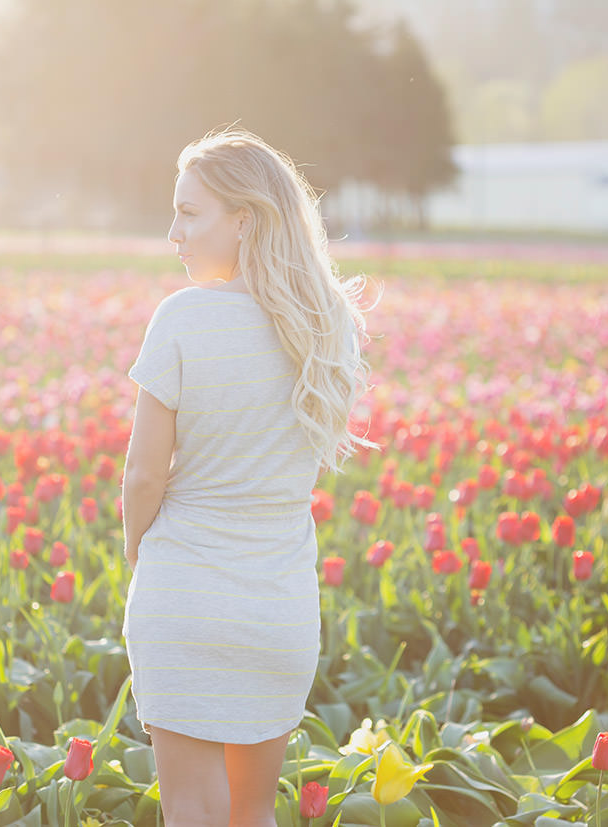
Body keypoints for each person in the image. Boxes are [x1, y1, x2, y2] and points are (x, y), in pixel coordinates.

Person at [121, 129, 373, 827]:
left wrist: (134, 548)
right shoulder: (328, 327)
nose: (173, 233)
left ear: (246, 219)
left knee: (192, 814)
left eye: (190, 213)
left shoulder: (181, 318)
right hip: (277, 602)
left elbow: (143, 473)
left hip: (185, 591)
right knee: (251, 813)